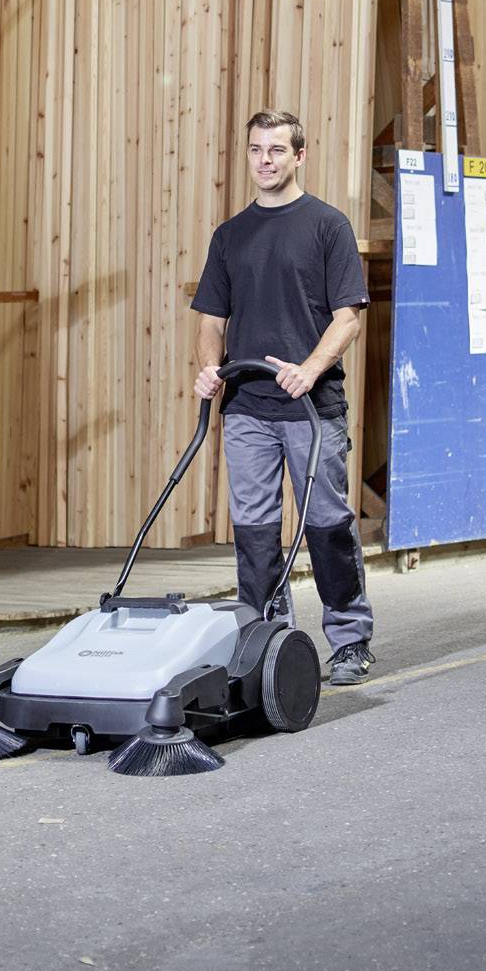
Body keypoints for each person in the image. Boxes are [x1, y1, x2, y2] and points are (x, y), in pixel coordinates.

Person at [191, 110, 376, 684]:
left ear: (300, 156)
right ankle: (266, 643)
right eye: (255, 150)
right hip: (247, 407)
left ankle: (349, 639)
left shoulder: (327, 227)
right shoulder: (230, 236)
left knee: (325, 524)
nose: (264, 160)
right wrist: (207, 370)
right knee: (254, 530)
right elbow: (210, 320)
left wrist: (310, 368)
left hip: (310, 410)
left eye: (276, 150)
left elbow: (347, 318)